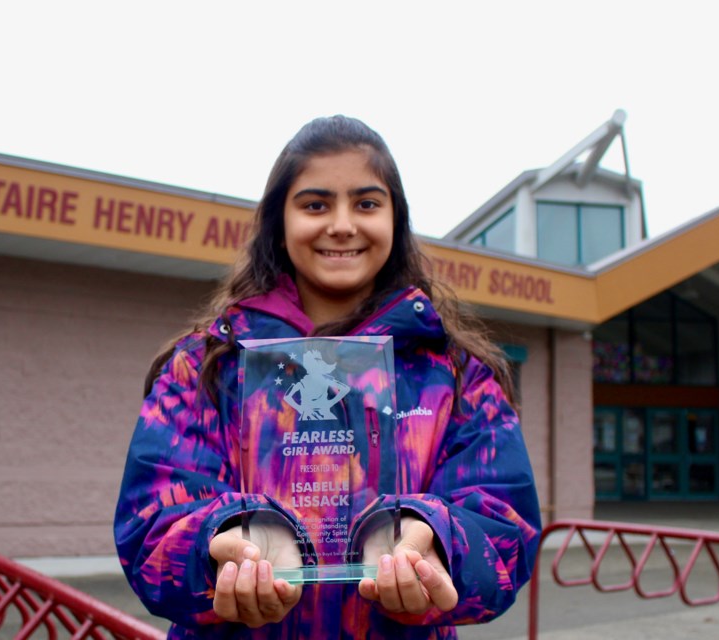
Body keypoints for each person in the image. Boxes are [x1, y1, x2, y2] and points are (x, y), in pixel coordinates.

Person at [114, 115, 541, 639]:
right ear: (279, 221)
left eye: (366, 203)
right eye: (315, 204)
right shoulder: (204, 367)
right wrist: (222, 541)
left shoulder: (456, 375)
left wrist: (433, 540)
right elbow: (149, 527)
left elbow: (506, 526)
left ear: (395, 220)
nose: (342, 224)